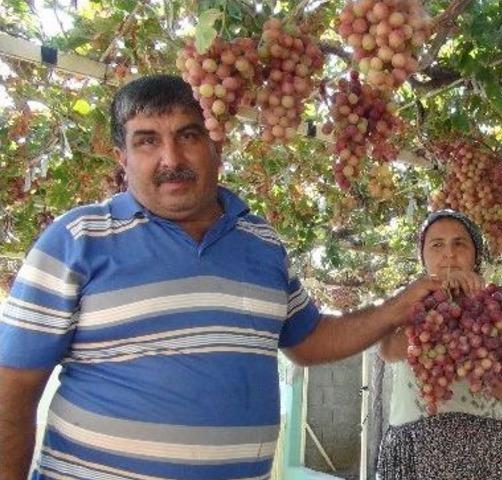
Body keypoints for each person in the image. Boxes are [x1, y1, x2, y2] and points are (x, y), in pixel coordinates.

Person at [0, 74, 446, 480]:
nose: (170, 158)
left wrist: (396, 309)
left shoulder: (261, 244)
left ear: (218, 144)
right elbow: (11, 391)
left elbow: (308, 341)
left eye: (188, 135)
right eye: (147, 141)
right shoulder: (77, 239)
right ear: (122, 158)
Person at [375, 209, 502, 480]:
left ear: (476, 255)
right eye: (437, 245)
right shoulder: (404, 303)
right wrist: (438, 306)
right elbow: (389, 350)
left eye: (459, 243)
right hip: (412, 454)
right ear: (423, 256)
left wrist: (471, 321)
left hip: (485, 456)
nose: (449, 254)